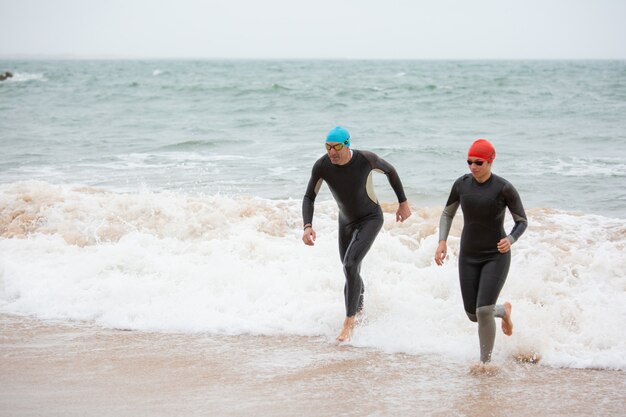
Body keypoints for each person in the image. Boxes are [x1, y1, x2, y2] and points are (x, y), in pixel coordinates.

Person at [302, 126, 412, 342]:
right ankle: (360, 312)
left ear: (347, 144)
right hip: (345, 222)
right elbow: (309, 197)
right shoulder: (322, 165)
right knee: (350, 269)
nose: (331, 152)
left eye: (336, 147)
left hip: (370, 218)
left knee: (350, 265)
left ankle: (349, 322)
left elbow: (390, 170)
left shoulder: (365, 160)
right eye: (327, 147)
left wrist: (403, 202)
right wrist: (307, 225)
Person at [434, 139, 527, 364]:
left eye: (478, 162)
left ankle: (485, 364)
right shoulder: (461, 185)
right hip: (468, 255)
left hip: (496, 254)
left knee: (483, 310)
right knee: (473, 314)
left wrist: (511, 239)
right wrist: (442, 241)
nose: (473, 167)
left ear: (490, 161)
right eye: (469, 162)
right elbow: (447, 214)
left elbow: (521, 221)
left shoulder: (504, 188)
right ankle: (503, 311)